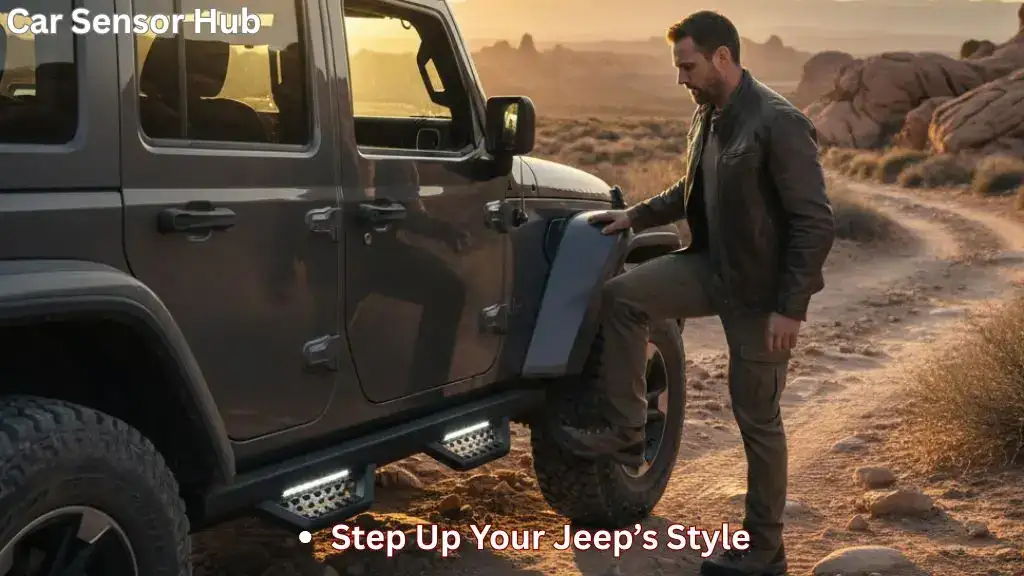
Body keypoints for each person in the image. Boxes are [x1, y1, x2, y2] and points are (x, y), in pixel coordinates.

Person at [561, 10, 835, 576]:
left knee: (756, 418)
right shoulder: (708, 114)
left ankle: (765, 550)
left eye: (686, 65)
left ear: (722, 58)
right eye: (677, 67)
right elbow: (692, 191)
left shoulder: (777, 122)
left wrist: (791, 308)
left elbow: (814, 222)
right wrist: (634, 215)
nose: (680, 77)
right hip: (711, 267)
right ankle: (626, 429)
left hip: (760, 294)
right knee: (623, 297)